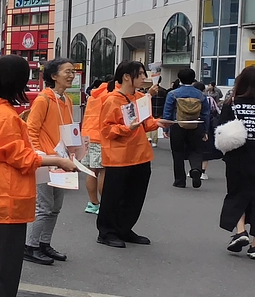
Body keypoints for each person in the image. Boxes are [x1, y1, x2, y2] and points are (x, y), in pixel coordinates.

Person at [0, 55, 77, 297]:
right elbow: (21, 157)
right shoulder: (3, 115)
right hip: (5, 196)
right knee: (2, 259)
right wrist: (58, 160)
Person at [97, 61, 171, 248]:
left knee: (135, 196)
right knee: (113, 197)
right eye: (140, 74)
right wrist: (125, 128)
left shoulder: (140, 97)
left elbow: (146, 123)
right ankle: (106, 232)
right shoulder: (112, 99)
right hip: (119, 157)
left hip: (141, 154)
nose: (143, 78)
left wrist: (159, 123)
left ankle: (124, 228)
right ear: (126, 77)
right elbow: (106, 130)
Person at [22, 58, 79, 265]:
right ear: (53, 76)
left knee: (55, 206)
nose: (71, 75)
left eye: (73, 71)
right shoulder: (43, 99)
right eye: (67, 72)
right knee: (44, 206)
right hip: (46, 160)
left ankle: (44, 243)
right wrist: (40, 156)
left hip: (61, 159)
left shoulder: (66, 100)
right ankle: (31, 246)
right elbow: (31, 130)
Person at [218, 66, 255, 256]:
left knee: (236, 193)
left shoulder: (231, 104)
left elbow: (221, 127)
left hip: (237, 155)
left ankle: (241, 232)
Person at [162, 68, 211, 189]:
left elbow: (167, 112)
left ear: (179, 79)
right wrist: (205, 130)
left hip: (178, 125)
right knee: (196, 150)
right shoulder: (200, 94)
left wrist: (165, 129)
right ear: (194, 79)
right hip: (196, 125)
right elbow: (206, 113)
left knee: (177, 152)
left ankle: (180, 180)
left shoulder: (173, 94)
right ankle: (196, 169)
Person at [81, 79, 110, 214]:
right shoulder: (109, 95)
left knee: (91, 171)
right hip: (100, 137)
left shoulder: (94, 96)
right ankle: (105, 204)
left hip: (87, 136)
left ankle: (93, 203)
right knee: (103, 171)